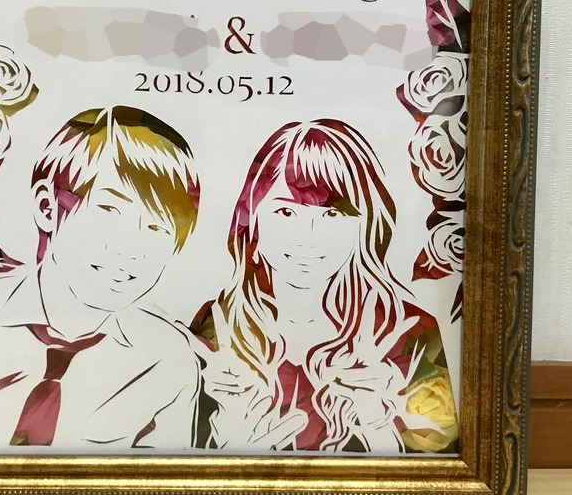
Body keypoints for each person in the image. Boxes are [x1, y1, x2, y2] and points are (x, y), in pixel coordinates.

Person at [190, 119, 459, 454]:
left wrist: (377, 424)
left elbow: (443, 465)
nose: (308, 237)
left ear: (366, 227)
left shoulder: (414, 332)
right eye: (286, 212)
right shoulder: (216, 326)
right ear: (252, 219)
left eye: (333, 215)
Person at [0, 106, 203, 452]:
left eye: (156, 227)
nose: (131, 249)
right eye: (110, 211)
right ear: (47, 207)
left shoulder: (167, 360)